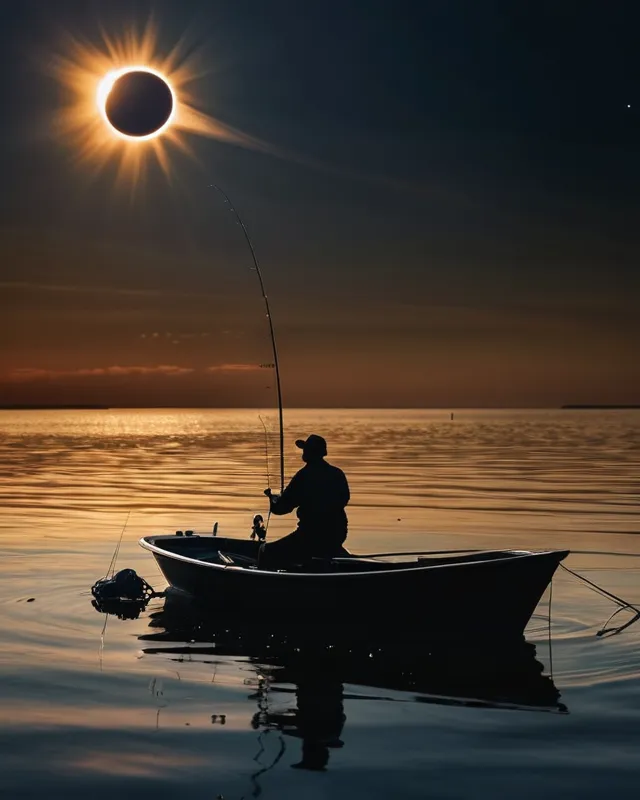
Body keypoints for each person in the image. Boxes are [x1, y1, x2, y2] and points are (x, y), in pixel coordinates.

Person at [258, 434, 350, 569]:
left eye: (306, 449)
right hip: (336, 535)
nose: (304, 452)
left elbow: (282, 508)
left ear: (311, 453)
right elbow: (344, 499)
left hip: (310, 536)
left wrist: (273, 499)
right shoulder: (337, 474)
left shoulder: (303, 476)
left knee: (265, 551)